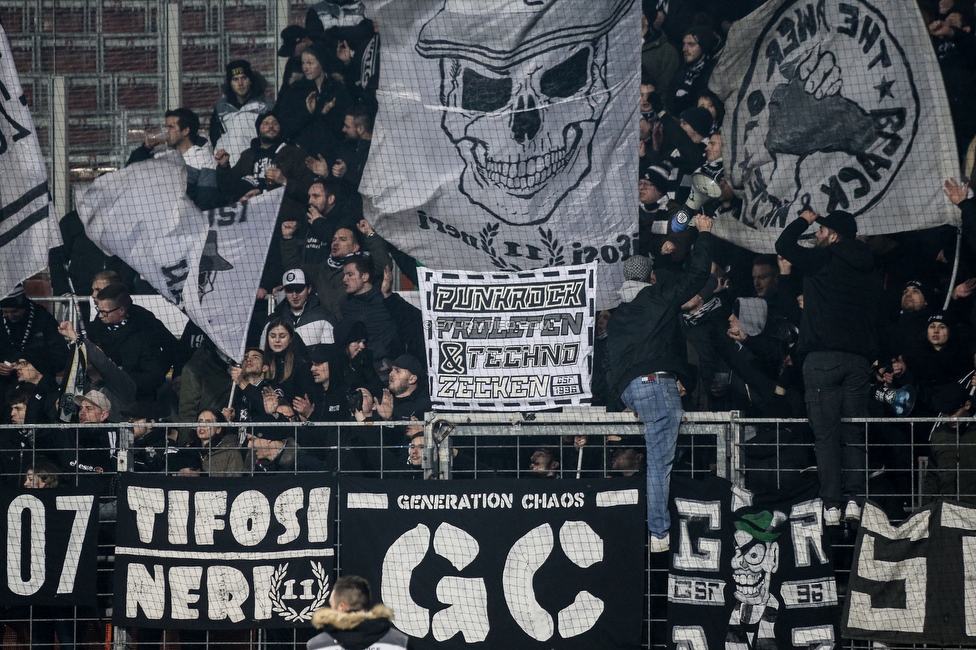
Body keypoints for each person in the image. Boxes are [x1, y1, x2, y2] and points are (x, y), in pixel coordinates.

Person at [606, 215, 714, 552]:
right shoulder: (657, 297)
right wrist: (705, 236)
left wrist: (621, 401)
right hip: (656, 385)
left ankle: (653, 523)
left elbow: (609, 363)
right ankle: (658, 533)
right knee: (659, 460)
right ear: (651, 277)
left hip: (630, 390)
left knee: (666, 449)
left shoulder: (618, 313)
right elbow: (697, 276)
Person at [775, 209, 881, 525]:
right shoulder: (870, 265)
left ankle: (832, 505)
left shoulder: (822, 259)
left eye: (821, 231)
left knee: (826, 435)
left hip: (823, 360)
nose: (817, 236)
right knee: (854, 433)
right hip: (859, 361)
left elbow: (784, 244)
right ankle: (855, 500)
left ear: (833, 235)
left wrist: (805, 218)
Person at [216, 112, 315, 223]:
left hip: (280, 215)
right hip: (247, 214)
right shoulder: (247, 155)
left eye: (275, 123)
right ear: (258, 130)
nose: (271, 126)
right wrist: (223, 167)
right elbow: (227, 186)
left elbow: (307, 190)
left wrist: (284, 181)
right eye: (266, 123)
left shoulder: (295, 153)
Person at [80, 283, 169, 401]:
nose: (100, 316)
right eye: (99, 310)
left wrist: (120, 377)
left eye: (105, 312)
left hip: (135, 400)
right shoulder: (94, 331)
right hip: (98, 397)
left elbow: (155, 376)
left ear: (121, 310)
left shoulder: (143, 335)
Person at [126, 107, 220, 210]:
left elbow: (206, 202)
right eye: (166, 127)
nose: (166, 131)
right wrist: (146, 147)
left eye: (171, 127)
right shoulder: (161, 155)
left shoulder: (205, 160)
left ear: (185, 131)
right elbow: (130, 171)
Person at [274, 41, 351, 159]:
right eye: (303, 63)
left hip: (331, 156)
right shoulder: (295, 90)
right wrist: (308, 113)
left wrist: (327, 114)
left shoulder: (337, 89)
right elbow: (285, 127)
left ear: (321, 63)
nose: (305, 68)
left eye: (310, 63)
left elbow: (345, 128)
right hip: (301, 157)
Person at [0, 285, 70, 394]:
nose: (10, 316)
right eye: (5, 312)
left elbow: (61, 356)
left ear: (23, 306)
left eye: (14, 311)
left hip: (41, 386)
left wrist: (33, 364)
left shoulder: (43, 318)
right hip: (6, 386)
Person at [308, 575, 408, 650]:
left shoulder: (318, 645)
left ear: (342, 607)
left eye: (331, 605)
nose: (330, 609)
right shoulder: (400, 642)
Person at [209, 59, 274, 167]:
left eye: (244, 78)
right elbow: (215, 137)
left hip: (258, 163)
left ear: (250, 80)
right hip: (229, 165)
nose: (240, 83)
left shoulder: (267, 105)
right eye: (235, 79)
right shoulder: (220, 107)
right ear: (229, 83)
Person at [339, 255, 400, 364]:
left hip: (384, 368)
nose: (344, 279)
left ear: (365, 277)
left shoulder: (386, 301)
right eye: (344, 275)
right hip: (357, 368)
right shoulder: (346, 305)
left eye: (350, 275)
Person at [923, 382, 976, 504]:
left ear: (967, 405)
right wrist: (925, 509)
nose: (948, 418)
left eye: (952, 413)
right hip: (946, 507)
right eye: (944, 414)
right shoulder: (938, 435)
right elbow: (931, 476)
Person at [261, 269, 337, 347]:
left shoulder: (324, 318)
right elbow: (263, 353)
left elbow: (330, 354)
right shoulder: (272, 320)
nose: (294, 295)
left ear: (309, 289)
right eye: (289, 290)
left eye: (299, 290)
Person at [665, 26, 719, 116]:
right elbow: (669, 101)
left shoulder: (714, 71)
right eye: (684, 44)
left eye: (691, 44)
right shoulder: (680, 72)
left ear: (703, 46)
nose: (685, 49)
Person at [263, 316, 316, 402]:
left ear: (290, 338)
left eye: (282, 336)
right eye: (273, 336)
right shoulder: (264, 363)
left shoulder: (300, 364)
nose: (277, 340)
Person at [331, 105, 373, 189]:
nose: (343, 129)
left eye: (347, 127)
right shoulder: (350, 146)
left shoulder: (374, 152)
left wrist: (347, 173)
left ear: (360, 129)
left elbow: (367, 183)